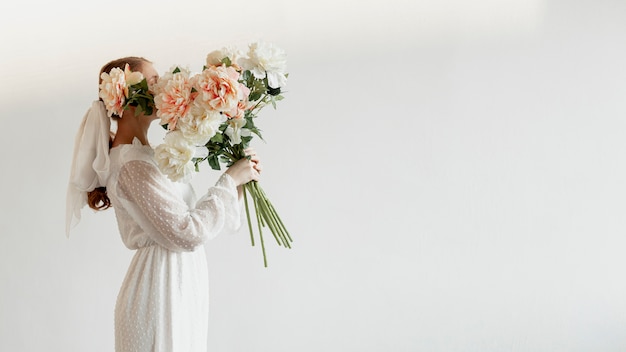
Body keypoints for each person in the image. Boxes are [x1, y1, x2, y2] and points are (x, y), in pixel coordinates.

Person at [65, 56, 261, 352]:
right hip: (161, 291)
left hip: (175, 283)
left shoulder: (145, 156)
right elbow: (186, 231)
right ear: (128, 99)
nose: (165, 87)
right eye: (154, 82)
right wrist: (230, 180)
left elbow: (189, 221)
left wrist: (239, 182)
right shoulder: (131, 165)